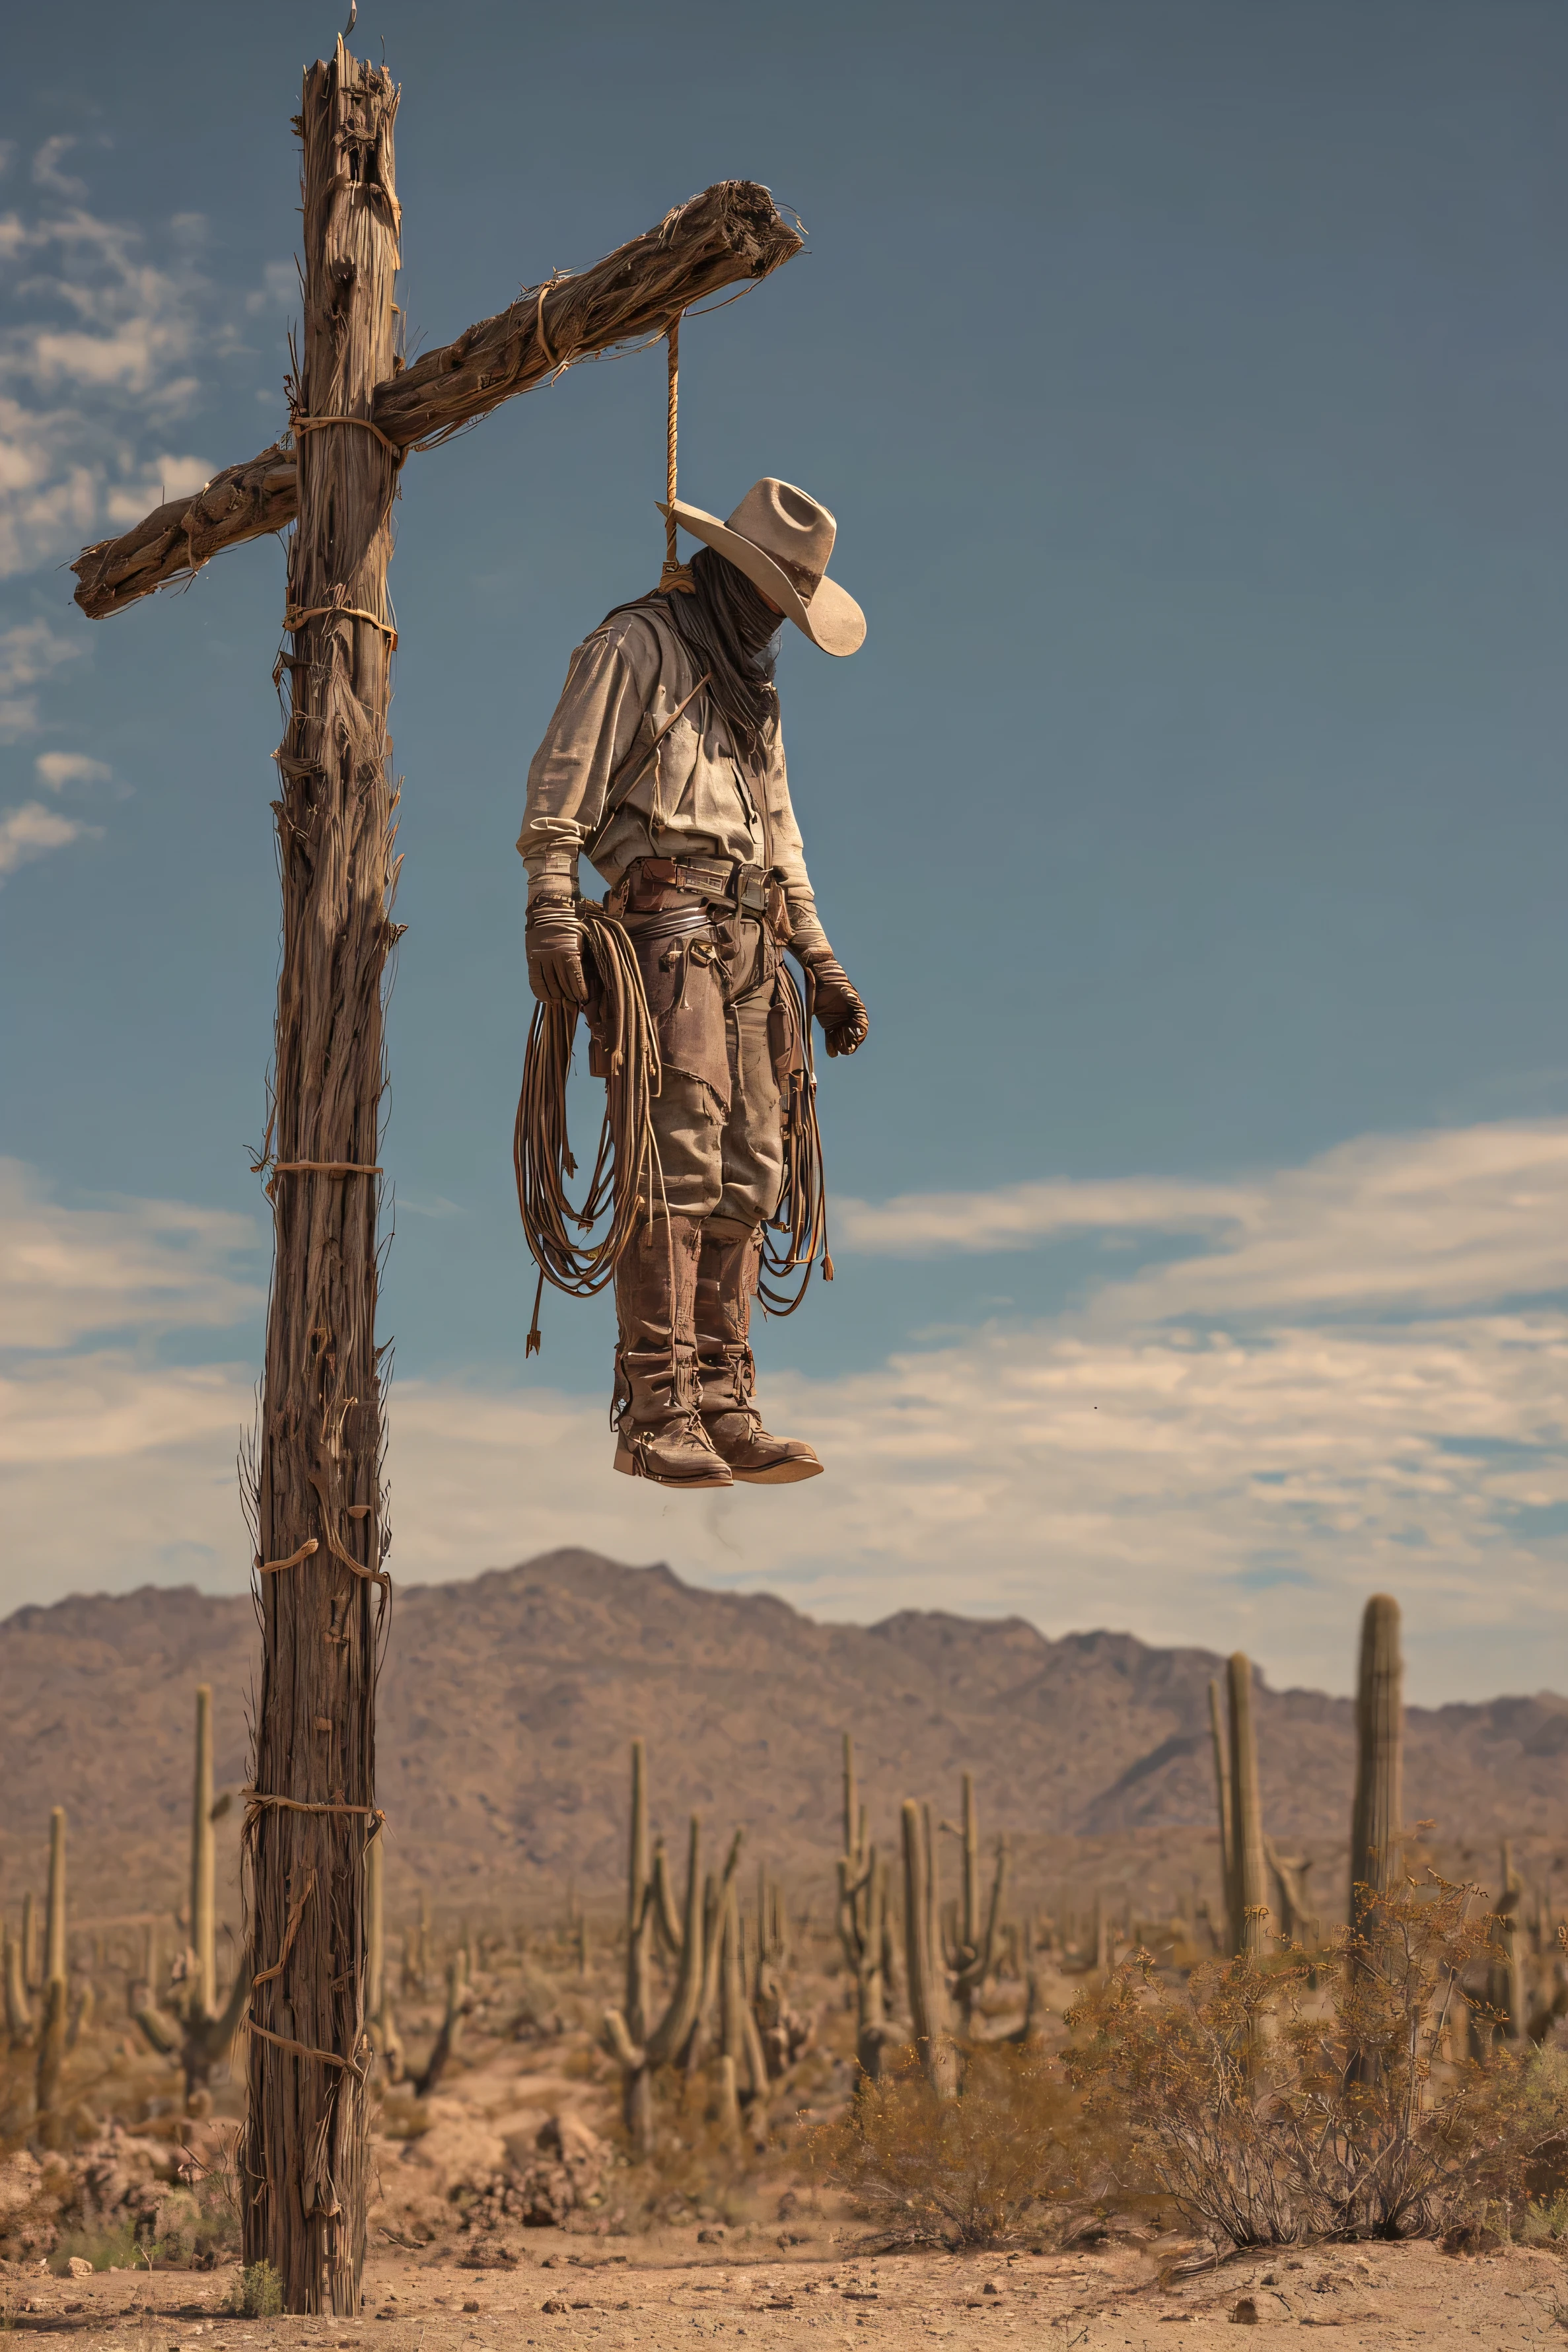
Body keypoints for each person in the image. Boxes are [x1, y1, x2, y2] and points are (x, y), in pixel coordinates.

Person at [518, 478, 868, 1491]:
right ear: (729, 573)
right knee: (675, 1157)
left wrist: (819, 960)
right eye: (769, 595)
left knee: (753, 1166)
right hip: (668, 928)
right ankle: (657, 1408)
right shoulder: (635, 645)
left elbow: (781, 837)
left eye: (789, 604)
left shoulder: (753, 694)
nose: (774, 619)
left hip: (754, 939)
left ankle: (721, 1400)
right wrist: (550, 899)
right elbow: (564, 777)